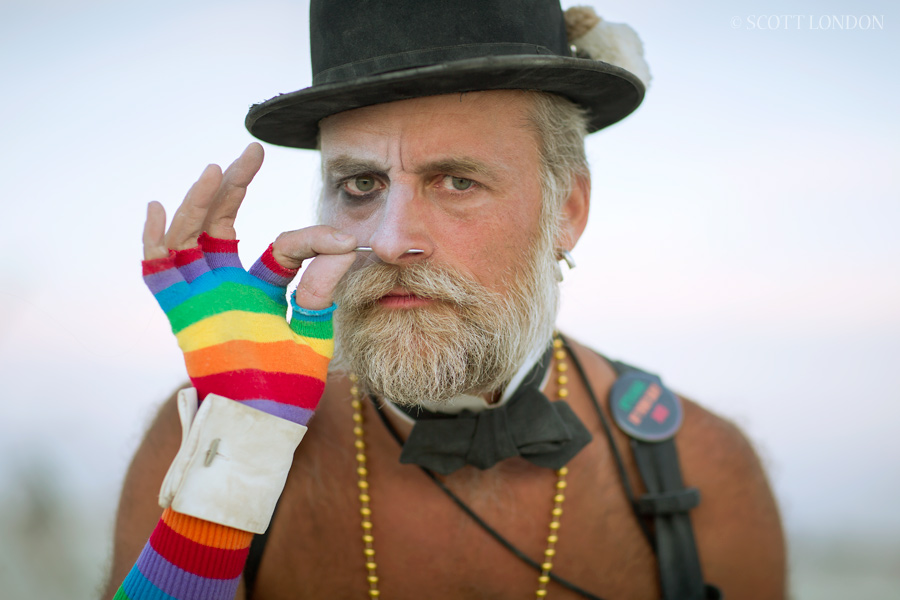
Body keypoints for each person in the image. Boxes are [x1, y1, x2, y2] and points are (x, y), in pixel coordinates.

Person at [104, 1, 785, 599]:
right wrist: (234, 463)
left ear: (568, 209)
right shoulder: (207, 432)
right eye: (361, 185)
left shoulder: (701, 465)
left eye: (457, 181)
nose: (393, 240)